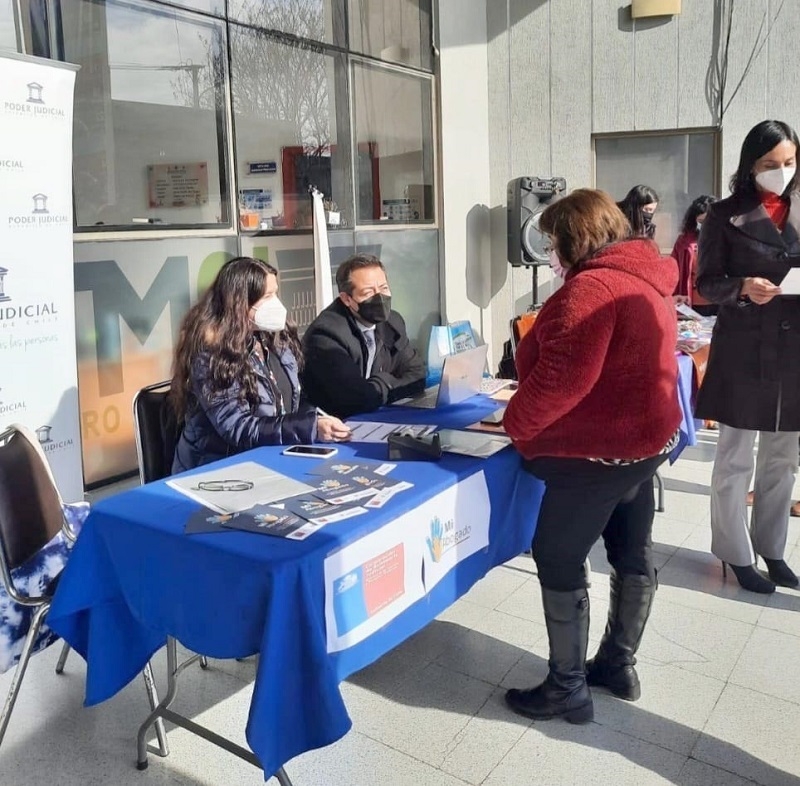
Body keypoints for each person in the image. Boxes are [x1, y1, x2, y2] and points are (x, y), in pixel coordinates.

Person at [502, 189, 681, 724]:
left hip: (595, 453)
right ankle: (617, 665)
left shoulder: (591, 289)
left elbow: (560, 382)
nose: (550, 253)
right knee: (631, 550)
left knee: (557, 556)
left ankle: (567, 688)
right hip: (641, 446)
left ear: (574, 239)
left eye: (554, 241)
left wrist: (515, 425)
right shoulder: (646, 278)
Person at [696, 119, 800, 594]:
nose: (782, 172)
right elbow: (704, 283)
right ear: (750, 165)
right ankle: (735, 552)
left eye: (789, 162)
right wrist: (742, 286)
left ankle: (773, 548)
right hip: (744, 345)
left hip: (794, 348)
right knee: (735, 456)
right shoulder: (723, 214)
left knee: (783, 457)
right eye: (770, 165)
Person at [171, 256, 350, 473]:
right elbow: (237, 427)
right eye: (267, 296)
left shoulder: (272, 337)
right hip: (218, 467)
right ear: (239, 302)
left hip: (270, 455)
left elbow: (291, 400)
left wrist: (317, 417)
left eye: (275, 292)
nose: (276, 303)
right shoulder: (211, 352)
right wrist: (308, 427)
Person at [301, 253, 426, 418]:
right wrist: (387, 382)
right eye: (368, 292)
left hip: (377, 416)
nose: (379, 297)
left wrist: (380, 385)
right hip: (334, 425)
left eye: (383, 288)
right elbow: (356, 399)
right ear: (346, 299)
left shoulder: (392, 322)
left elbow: (418, 375)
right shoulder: (326, 335)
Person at [671, 194, 718, 314]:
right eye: (701, 221)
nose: (705, 225)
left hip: (719, 299)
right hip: (692, 301)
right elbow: (673, 268)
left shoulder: (724, 239)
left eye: (708, 220)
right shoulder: (684, 241)